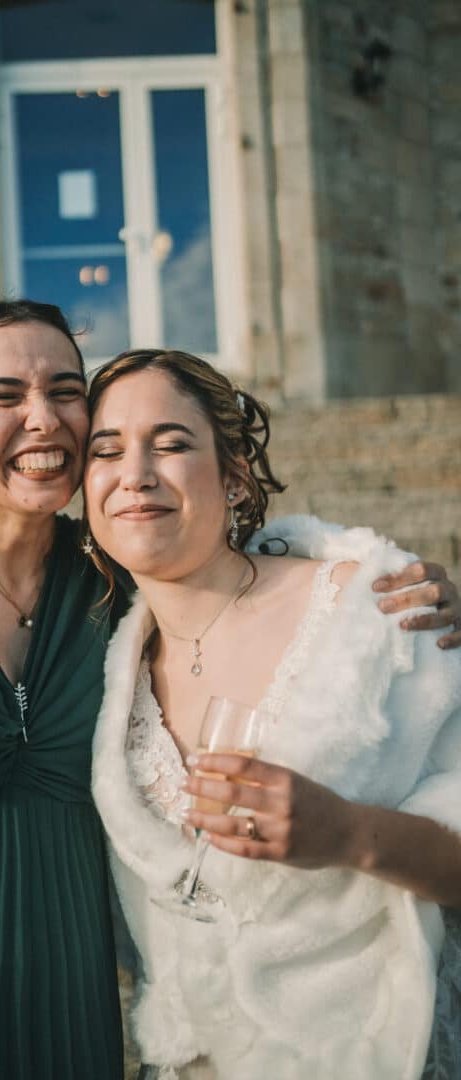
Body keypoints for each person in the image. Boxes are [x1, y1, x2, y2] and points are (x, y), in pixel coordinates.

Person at [0, 306, 460, 1080]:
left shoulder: (109, 587)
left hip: (64, 1020)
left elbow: (221, 560)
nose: (42, 419)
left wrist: (382, 572)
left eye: (63, 389)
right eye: (3, 396)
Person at [85, 348, 461, 1080]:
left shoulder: (377, 613)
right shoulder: (99, 661)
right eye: (106, 451)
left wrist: (349, 834)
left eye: (171, 443)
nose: (135, 473)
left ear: (234, 478)